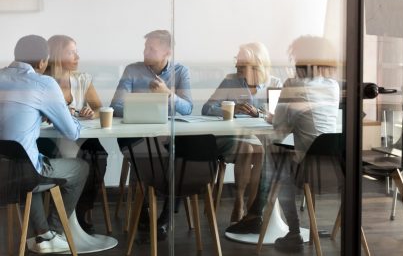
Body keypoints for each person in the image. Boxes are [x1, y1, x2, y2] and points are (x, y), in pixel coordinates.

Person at [227, 36, 340, 253]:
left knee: (274, 160)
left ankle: (289, 230)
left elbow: (279, 129)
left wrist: (271, 118)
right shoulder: (332, 87)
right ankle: (256, 214)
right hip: (334, 166)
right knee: (275, 157)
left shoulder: (293, 85)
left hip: (306, 168)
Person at [0, 35, 89, 254]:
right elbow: (71, 132)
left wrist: (38, 115)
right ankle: (54, 233)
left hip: (4, 169)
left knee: (31, 162)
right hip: (24, 172)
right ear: (42, 62)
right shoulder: (44, 83)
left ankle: (41, 236)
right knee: (80, 168)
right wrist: (67, 114)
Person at [110, 29, 193, 240]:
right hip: (136, 136)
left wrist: (167, 94)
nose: (145, 51)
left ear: (167, 52)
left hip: (167, 138)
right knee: (146, 153)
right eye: (145, 47)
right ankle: (143, 212)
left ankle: (166, 217)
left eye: (151, 48)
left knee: (179, 157)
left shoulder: (181, 72)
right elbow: (116, 106)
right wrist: (146, 103)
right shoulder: (132, 70)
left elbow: (188, 108)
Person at [202, 42, 282, 224]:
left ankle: (253, 206)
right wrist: (231, 109)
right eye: (237, 64)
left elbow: (278, 116)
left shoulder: (274, 83)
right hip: (234, 137)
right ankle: (239, 202)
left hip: (261, 139)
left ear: (256, 65)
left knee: (260, 151)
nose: (237, 68)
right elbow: (207, 108)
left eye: (241, 65)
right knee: (247, 148)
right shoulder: (231, 80)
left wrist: (259, 113)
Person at [43, 34, 107, 234]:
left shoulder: (82, 79)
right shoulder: (41, 82)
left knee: (99, 157)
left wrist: (90, 112)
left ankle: (80, 212)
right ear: (56, 54)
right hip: (51, 140)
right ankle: (61, 217)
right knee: (76, 161)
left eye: (76, 51)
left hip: (81, 136)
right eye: (71, 52)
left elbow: (99, 108)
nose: (77, 56)